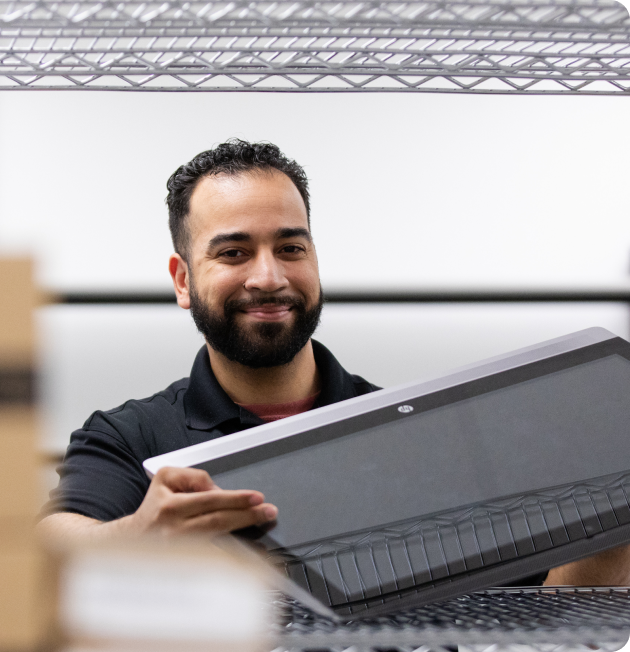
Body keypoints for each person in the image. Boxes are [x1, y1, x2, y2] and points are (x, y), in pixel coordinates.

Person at [39, 139, 629, 587]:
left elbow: (548, 593)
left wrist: (613, 525)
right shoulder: (130, 437)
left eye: (290, 248)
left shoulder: (419, 432)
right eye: (234, 252)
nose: (268, 276)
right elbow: (49, 544)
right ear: (183, 279)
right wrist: (142, 534)